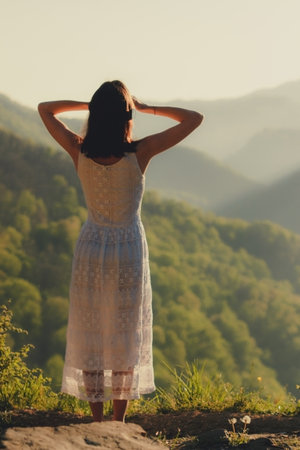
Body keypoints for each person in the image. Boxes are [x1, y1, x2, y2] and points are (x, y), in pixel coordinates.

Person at [38, 80, 203, 422]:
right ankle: (118, 423)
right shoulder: (140, 152)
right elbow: (193, 118)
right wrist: (146, 108)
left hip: (91, 247)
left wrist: (91, 105)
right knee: (125, 335)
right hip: (128, 248)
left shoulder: (77, 148)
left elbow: (45, 109)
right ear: (126, 116)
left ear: (97, 116)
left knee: (92, 333)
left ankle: (97, 422)